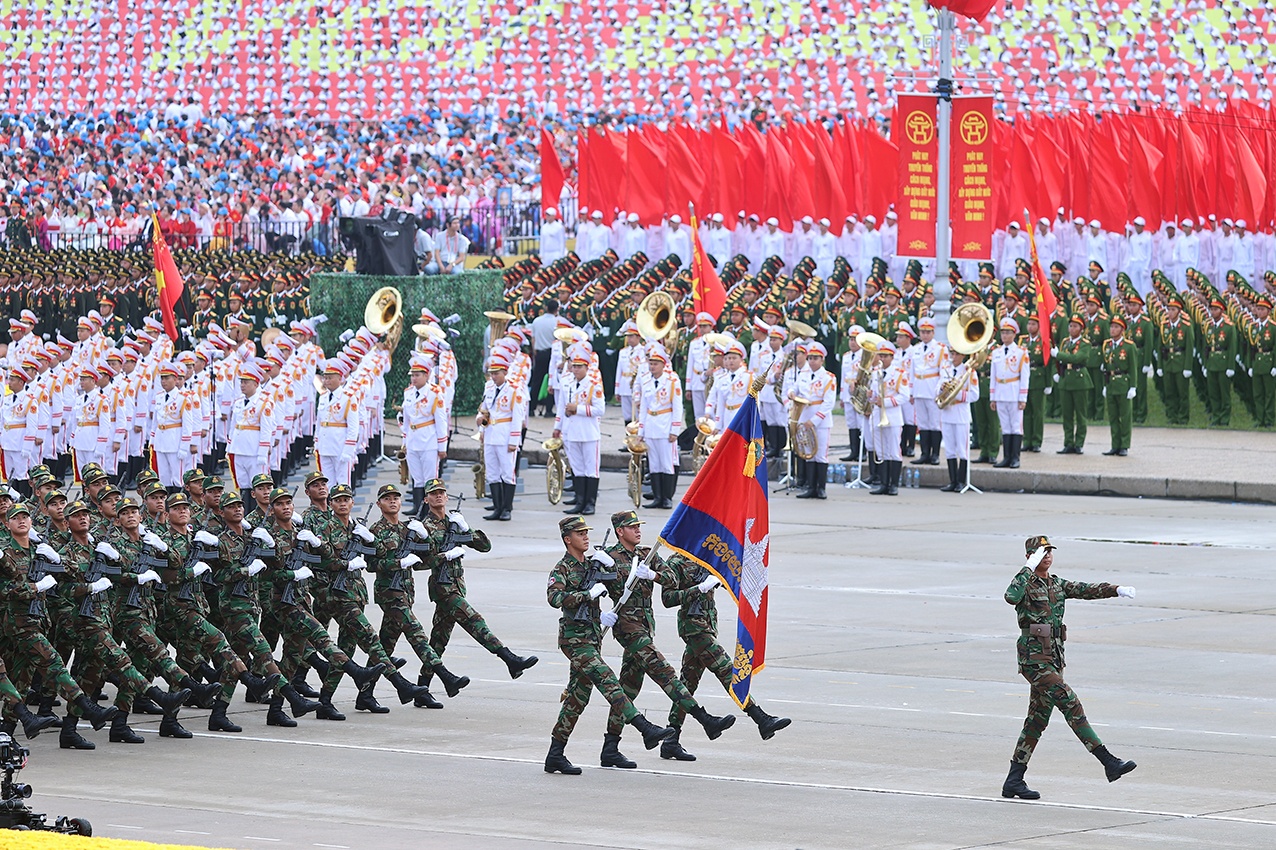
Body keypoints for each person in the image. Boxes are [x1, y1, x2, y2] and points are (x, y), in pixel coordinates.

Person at [1001, 536, 1138, 799]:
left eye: (1050, 551)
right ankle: (1108, 761)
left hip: (1053, 659)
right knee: (1070, 703)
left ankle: (1013, 780)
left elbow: (1086, 589)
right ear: (1031, 556)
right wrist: (1027, 568)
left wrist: (1116, 589)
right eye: (1042, 552)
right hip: (1034, 660)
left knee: (1037, 720)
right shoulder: (1024, 583)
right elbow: (1010, 596)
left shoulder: (1056, 584)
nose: (1048, 556)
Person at [598, 510, 734, 768]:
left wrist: (653, 575)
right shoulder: (611, 559)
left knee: (627, 689)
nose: (638, 530)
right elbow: (596, 589)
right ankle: (705, 719)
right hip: (628, 629)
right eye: (632, 527)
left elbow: (672, 578)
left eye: (639, 526)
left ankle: (610, 748)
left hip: (645, 628)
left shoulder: (646, 555)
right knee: (665, 673)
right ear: (619, 532)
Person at [544, 516, 675, 775]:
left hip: (592, 638)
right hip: (574, 641)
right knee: (608, 681)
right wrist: (586, 595)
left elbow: (618, 583)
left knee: (577, 699)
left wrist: (600, 613)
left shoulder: (592, 565)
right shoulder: (562, 569)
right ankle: (644, 728)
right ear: (567, 539)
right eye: (579, 533)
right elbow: (554, 597)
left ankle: (555, 755)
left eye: (586, 532)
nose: (585, 536)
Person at [658, 549, 790, 761]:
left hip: (708, 625)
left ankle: (671, 740)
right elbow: (667, 598)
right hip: (693, 628)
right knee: (726, 669)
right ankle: (760, 718)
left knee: (688, 683)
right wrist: (699, 588)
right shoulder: (676, 561)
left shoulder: (706, 556)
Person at [418, 477, 539, 686]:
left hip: (457, 586)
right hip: (442, 587)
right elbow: (418, 563)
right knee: (475, 621)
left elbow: (485, 546)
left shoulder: (454, 522)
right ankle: (509, 658)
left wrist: (466, 530)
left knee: (439, 639)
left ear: (446, 497)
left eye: (441, 492)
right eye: (433, 493)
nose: (438, 496)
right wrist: (444, 556)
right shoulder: (424, 527)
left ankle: (422, 687)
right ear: (426, 499)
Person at [369, 484, 471, 708]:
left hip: (406, 592)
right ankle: (445, 676)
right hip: (389, 593)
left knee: (385, 645)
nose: (393, 501)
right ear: (379, 504)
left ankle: (365, 694)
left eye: (396, 497)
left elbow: (425, 557)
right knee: (417, 634)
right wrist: (398, 563)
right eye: (387, 499)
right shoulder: (376, 530)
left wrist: (426, 540)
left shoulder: (408, 529)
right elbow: (370, 564)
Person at [555, 347, 605, 517]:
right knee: (577, 468)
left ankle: (590, 503)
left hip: (589, 431)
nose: (575, 369)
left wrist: (579, 409)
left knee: (591, 468)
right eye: (573, 366)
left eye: (579, 366)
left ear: (586, 367)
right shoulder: (566, 382)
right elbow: (561, 406)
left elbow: (600, 409)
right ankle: (579, 500)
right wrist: (558, 427)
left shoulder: (593, 384)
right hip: (571, 430)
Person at [477, 350, 525, 522]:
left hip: (505, 435)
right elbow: (484, 409)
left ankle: (507, 508)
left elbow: (517, 417)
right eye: (492, 373)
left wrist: (514, 440)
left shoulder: (514, 390)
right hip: (490, 434)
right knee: (492, 473)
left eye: (497, 373)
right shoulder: (489, 388)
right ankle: (497, 507)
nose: (494, 376)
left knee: (507, 472)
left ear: (505, 372)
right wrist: (481, 427)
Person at [399, 355, 449, 517]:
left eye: (417, 375)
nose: (414, 378)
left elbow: (441, 421)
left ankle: (430, 511)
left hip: (429, 441)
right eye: (412, 375)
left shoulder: (434, 393)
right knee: (417, 478)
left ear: (426, 375)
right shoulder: (408, 393)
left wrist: (442, 446)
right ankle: (418, 508)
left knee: (430, 479)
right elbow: (406, 421)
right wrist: (404, 442)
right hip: (413, 440)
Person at [636, 347, 683, 509]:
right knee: (654, 463)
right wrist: (640, 431)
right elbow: (643, 407)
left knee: (667, 463)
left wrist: (674, 430)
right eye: (651, 363)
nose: (652, 367)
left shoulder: (672, 381)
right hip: (650, 425)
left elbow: (677, 406)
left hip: (665, 425)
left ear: (663, 365)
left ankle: (667, 497)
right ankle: (657, 497)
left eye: (656, 364)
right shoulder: (646, 380)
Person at [791, 342, 836, 499]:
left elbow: (828, 402)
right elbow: (794, 388)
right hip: (804, 416)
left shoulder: (828, 377)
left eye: (816, 358)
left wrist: (815, 420)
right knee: (808, 452)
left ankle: (821, 488)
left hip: (821, 420)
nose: (812, 361)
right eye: (810, 358)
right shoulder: (802, 375)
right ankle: (810, 487)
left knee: (821, 454)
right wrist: (791, 393)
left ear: (822, 359)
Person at [867, 340, 909, 496]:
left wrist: (884, 402)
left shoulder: (899, 373)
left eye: (886, 356)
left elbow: (904, 396)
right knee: (881, 450)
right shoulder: (875, 372)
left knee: (893, 450)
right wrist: (871, 397)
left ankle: (893, 484)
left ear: (892, 357)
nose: (882, 359)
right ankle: (883, 483)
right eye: (881, 356)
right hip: (877, 415)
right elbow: (874, 395)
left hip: (892, 416)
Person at [937, 348, 979, 492]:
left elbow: (974, 395)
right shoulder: (945, 369)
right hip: (947, 413)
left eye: (956, 354)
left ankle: (962, 481)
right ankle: (953, 481)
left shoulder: (969, 372)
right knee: (949, 448)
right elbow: (936, 389)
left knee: (962, 449)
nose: (953, 357)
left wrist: (956, 393)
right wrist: (942, 390)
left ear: (963, 356)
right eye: (952, 354)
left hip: (961, 413)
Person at [989, 318, 1029, 469]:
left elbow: (1024, 376)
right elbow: (993, 375)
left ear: (1014, 334)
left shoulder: (1020, 352)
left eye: (1008, 333)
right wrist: (993, 397)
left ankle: (1015, 457)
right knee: (1005, 426)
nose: (1005, 336)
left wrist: (1022, 397)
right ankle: (1006, 457)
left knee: (1016, 426)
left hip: (1014, 391)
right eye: (1003, 333)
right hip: (1000, 392)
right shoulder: (996, 352)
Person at [314, 359, 361, 487]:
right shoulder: (323, 397)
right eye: (325, 377)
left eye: (330, 378)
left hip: (340, 446)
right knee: (327, 484)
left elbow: (353, 427)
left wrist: (348, 450)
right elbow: (319, 423)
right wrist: (316, 442)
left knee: (343, 484)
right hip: (325, 447)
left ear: (340, 378)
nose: (326, 381)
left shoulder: (348, 397)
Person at [1101, 315, 1138, 456]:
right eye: (1111, 326)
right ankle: (1115, 445)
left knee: (1125, 416)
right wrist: (1105, 385)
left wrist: (1133, 386)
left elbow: (1133, 368)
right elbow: (1105, 366)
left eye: (1116, 327)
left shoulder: (1129, 346)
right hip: (1111, 384)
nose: (1112, 329)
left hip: (1123, 383)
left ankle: (1124, 445)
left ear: (1122, 330)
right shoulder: (1107, 345)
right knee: (1113, 416)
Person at [1055, 316, 1092, 454]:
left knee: (1081, 415)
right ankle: (1068, 442)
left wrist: (1058, 355)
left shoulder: (1085, 343)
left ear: (1081, 329)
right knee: (1067, 415)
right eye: (1070, 326)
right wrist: (1057, 371)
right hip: (1066, 380)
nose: (1072, 329)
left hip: (1079, 380)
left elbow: (1077, 358)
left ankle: (1079, 443)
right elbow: (1058, 362)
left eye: (1075, 326)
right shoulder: (1065, 342)